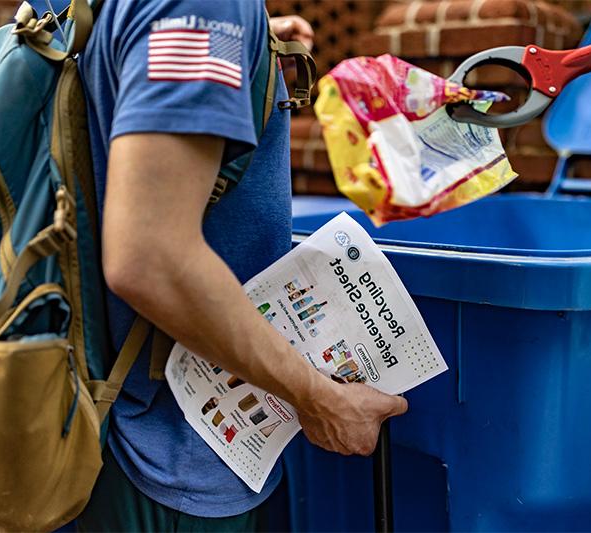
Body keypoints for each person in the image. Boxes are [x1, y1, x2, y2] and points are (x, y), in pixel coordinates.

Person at [75, 1, 408, 530]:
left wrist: (246, 45)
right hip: (175, 456)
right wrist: (319, 398)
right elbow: (150, 259)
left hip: (124, 427)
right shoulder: (202, 8)